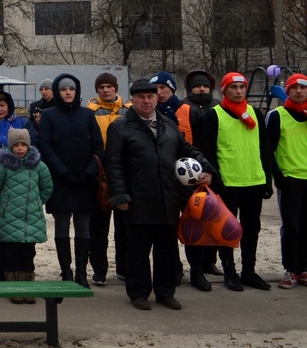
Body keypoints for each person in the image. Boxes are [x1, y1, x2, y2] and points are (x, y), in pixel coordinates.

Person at [105, 78, 214, 311]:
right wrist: (120, 196)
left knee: (167, 250)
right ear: (132, 100)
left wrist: (206, 167)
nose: (146, 101)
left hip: (168, 199)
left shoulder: (168, 124)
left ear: (157, 99)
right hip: (137, 200)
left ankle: (165, 292)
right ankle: (138, 293)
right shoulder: (120, 127)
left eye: (150, 96)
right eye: (141, 97)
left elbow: (188, 149)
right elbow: (113, 165)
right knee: (138, 251)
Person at [194, 72, 275, 292]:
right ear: (224, 90)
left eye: (242, 87)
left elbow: (265, 148)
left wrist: (267, 180)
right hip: (228, 183)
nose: (238, 91)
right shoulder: (214, 115)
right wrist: (215, 180)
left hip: (254, 181)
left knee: (252, 228)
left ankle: (249, 271)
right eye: (233, 87)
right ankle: (229, 272)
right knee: (226, 229)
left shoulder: (255, 113)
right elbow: (208, 150)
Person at [35, 74, 103, 287]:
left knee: (83, 226)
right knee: (62, 225)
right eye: (63, 89)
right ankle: (66, 272)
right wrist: (62, 172)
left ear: (77, 91)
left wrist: (90, 172)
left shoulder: (87, 114)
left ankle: (81, 273)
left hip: (85, 179)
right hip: (60, 179)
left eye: (71, 89)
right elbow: (45, 146)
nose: (67, 92)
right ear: (57, 91)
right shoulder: (48, 115)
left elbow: (98, 146)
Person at [173, 69, 221, 288]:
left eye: (205, 86)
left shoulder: (217, 107)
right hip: (190, 171)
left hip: (212, 170)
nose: (202, 89)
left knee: (209, 219)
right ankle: (186, 267)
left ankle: (209, 261)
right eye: (197, 86)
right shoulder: (184, 108)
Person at [0, 128, 53, 303]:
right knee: (12, 256)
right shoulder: (3, 167)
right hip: (10, 218)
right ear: (10, 146)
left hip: (31, 218)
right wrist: (6, 205)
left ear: (29, 146)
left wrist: (36, 202)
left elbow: (47, 188)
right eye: (16, 145)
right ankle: (14, 289)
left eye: (23, 145)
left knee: (28, 255)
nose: (20, 148)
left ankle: (28, 289)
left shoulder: (39, 166)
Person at [267, 73, 307, 290]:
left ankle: (304, 269)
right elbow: (268, 150)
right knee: (291, 227)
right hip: (290, 179)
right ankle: (291, 269)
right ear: (287, 91)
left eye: (303, 87)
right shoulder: (277, 116)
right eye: (294, 87)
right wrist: (277, 176)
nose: (299, 91)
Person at [87, 72, 126, 286]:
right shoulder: (90, 112)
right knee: (98, 228)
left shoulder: (128, 111)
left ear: (115, 88)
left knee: (124, 227)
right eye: (101, 87)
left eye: (109, 86)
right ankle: (99, 270)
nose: (105, 90)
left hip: (124, 175)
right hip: (100, 175)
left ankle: (124, 268)